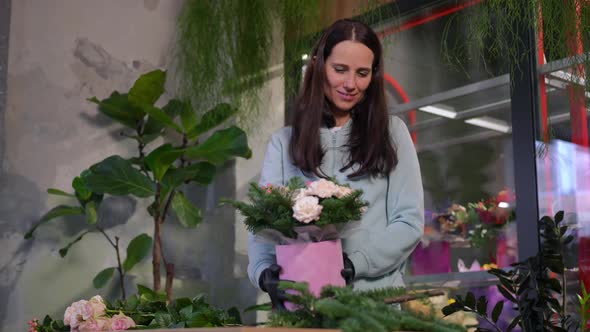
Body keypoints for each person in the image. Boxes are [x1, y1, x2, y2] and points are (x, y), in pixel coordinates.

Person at [248, 18, 424, 309]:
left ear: (373, 76)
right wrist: (264, 274)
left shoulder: (392, 133)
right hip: (306, 306)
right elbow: (262, 225)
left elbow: (408, 222)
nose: (350, 84)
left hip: (375, 308)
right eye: (340, 69)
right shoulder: (283, 143)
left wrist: (354, 264)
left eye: (362, 73)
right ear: (319, 65)